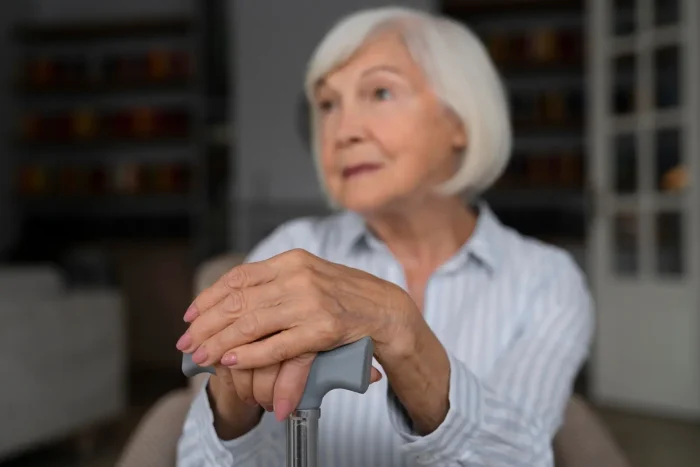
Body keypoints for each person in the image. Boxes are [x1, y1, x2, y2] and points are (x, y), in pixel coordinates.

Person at [176, 6, 594, 466]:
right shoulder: (290, 250)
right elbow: (196, 460)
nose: (342, 131)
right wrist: (233, 405)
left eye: (379, 92)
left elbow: (522, 458)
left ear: (460, 120)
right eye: (327, 104)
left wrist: (401, 328)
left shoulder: (546, 281)